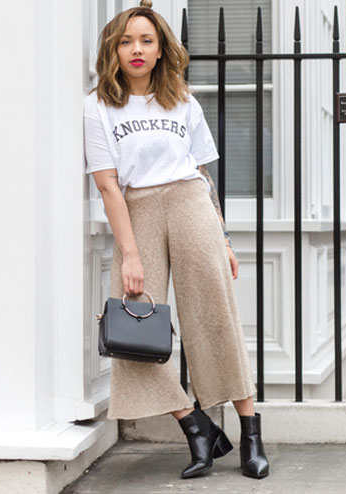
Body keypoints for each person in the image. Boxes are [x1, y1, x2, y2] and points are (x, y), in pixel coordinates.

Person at [83, 0, 269, 480]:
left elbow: (203, 175)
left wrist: (223, 236)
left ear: (162, 48)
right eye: (126, 41)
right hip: (137, 208)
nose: (136, 49)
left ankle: (250, 433)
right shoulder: (98, 105)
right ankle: (197, 428)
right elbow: (107, 184)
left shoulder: (182, 101)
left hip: (191, 206)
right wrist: (129, 254)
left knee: (214, 316)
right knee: (133, 329)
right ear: (113, 49)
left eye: (146, 40)